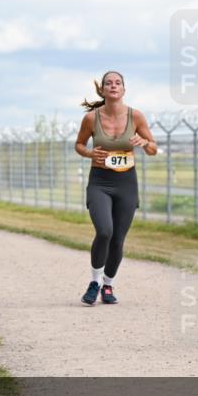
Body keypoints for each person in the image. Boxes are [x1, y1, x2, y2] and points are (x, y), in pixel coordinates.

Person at [74, 71, 158, 305]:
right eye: (108, 83)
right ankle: (94, 282)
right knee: (104, 232)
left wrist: (144, 143)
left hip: (126, 185)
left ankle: (108, 286)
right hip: (100, 183)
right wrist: (90, 153)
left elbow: (153, 149)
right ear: (102, 90)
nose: (113, 86)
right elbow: (79, 145)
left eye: (118, 83)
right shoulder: (91, 119)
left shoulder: (136, 116)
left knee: (118, 239)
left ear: (124, 89)